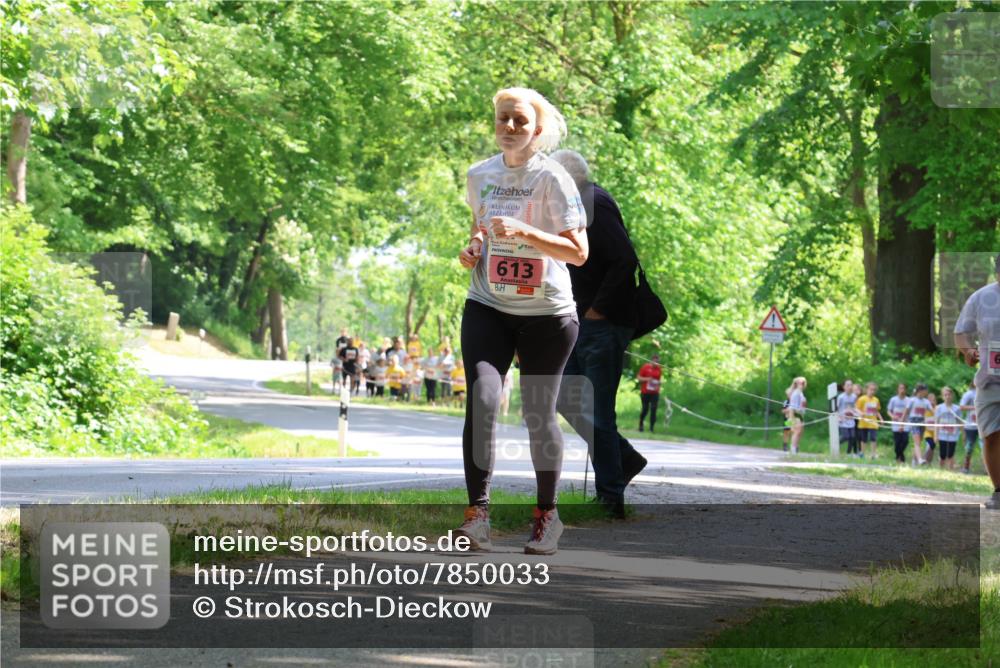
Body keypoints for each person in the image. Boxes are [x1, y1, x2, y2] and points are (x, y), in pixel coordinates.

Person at [454, 86, 588, 555]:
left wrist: (527, 232)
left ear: (539, 129)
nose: (509, 128)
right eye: (502, 119)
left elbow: (578, 252)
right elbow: (481, 226)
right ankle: (477, 515)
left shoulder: (553, 180)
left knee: (536, 413)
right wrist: (474, 248)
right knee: (484, 399)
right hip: (488, 304)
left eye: (520, 121)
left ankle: (547, 516)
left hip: (547, 313)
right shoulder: (478, 175)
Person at [547, 150, 646, 516]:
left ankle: (610, 498)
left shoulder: (595, 203)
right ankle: (623, 459)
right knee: (566, 398)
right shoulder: (575, 204)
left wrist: (597, 310)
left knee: (599, 410)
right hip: (579, 321)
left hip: (603, 323)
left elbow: (625, 260)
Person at [954, 254, 1000, 507]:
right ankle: (999, 491)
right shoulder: (982, 298)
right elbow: (961, 332)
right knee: (991, 434)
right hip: (989, 381)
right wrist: (969, 351)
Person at [935, 386, 962, 470]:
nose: (947, 396)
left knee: (950, 453)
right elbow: (937, 422)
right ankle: (941, 469)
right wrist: (936, 435)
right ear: (943, 396)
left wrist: (963, 433)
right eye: (945, 395)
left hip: (953, 435)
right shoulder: (939, 408)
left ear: (952, 396)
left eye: (949, 394)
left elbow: (959, 421)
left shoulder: (957, 408)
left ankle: (950, 470)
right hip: (942, 434)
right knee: (942, 454)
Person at [905, 383, 932, 466]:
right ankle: (920, 459)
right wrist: (902, 423)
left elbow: (932, 411)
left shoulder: (926, 401)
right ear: (920, 391)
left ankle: (914, 461)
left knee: (919, 442)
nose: (926, 393)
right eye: (925, 391)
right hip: (913, 422)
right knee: (917, 442)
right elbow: (906, 411)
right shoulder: (912, 400)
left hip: (922, 422)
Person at [855, 382, 882, 460]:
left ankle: (873, 454)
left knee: (873, 438)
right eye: (870, 389)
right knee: (863, 439)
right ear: (866, 389)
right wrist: (861, 413)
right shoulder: (862, 399)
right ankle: (862, 453)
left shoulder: (876, 400)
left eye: (874, 390)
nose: (872, 391)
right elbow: (856, 408)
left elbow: (876, 411)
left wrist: (881, 419)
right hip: (864, 423)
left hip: (873, 422)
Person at [638, 354, 662, 434]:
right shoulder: (645, 367)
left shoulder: (659, 369)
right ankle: (641, 424)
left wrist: (658, 383)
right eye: (655, 361)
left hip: (655, 392)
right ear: (652, 360)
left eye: (658, 361)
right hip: (645, 392)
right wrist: (648, 379)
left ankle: (651, 428)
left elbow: (658, 380)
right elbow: (639, 378)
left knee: (654, 409)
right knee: (645, 409)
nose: (657, 363)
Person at [887, 383, 911, 464]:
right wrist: (893, 416)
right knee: (897, 442)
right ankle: (900, 457)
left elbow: (910, 411)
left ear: (906, 390)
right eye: (900, 388)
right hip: (896, 424)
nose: (902, 390)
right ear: (897, 389)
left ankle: (899, 456)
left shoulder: (908, 400)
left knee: (905, 441)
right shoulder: (893, 399)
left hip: (906, 424)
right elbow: (889, 411)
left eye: (903, 388)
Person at [786, 377, 807, 454]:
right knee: (796, 431)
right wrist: (791, 418)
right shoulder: (795, 393)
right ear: (796, 384)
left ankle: (795, 447)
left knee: (800, 432)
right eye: (800, 383)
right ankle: (793, 449)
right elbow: (792, 406)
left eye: (803, 383)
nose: (802, 384)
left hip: (800, 415)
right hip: (794, 414)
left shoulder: (800, 393)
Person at [961, 380, 978, 474]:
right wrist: (975, 407)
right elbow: (962, 406)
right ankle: (966, 467)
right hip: (971, 425)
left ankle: (989, 469)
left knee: (986, 446)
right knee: (969, 447)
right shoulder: (969, 394)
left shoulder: (985, 392)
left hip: (983, 424)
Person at [836, 380, 858, 457]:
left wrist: (857, 413)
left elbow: (855, 407)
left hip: (851, 420)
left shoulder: (854, 396)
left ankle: (848, 453)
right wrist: (838, 417)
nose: (850, 387)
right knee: (846, 436)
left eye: (851, 385)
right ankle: (835, 443)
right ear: (844, 387)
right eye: (848, 385)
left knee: (852, 437)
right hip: (842, 420)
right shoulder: (841, 397)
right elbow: (837, 408)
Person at [923, 392, 938, 464]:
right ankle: (924, 459)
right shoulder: (925, 410)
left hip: (935, 432)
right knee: (930, 445)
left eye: (933, 400)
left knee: (932, 448)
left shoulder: (937, 409)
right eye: (930, 400)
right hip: (927, 432)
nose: (932, 402)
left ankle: (929, 462)